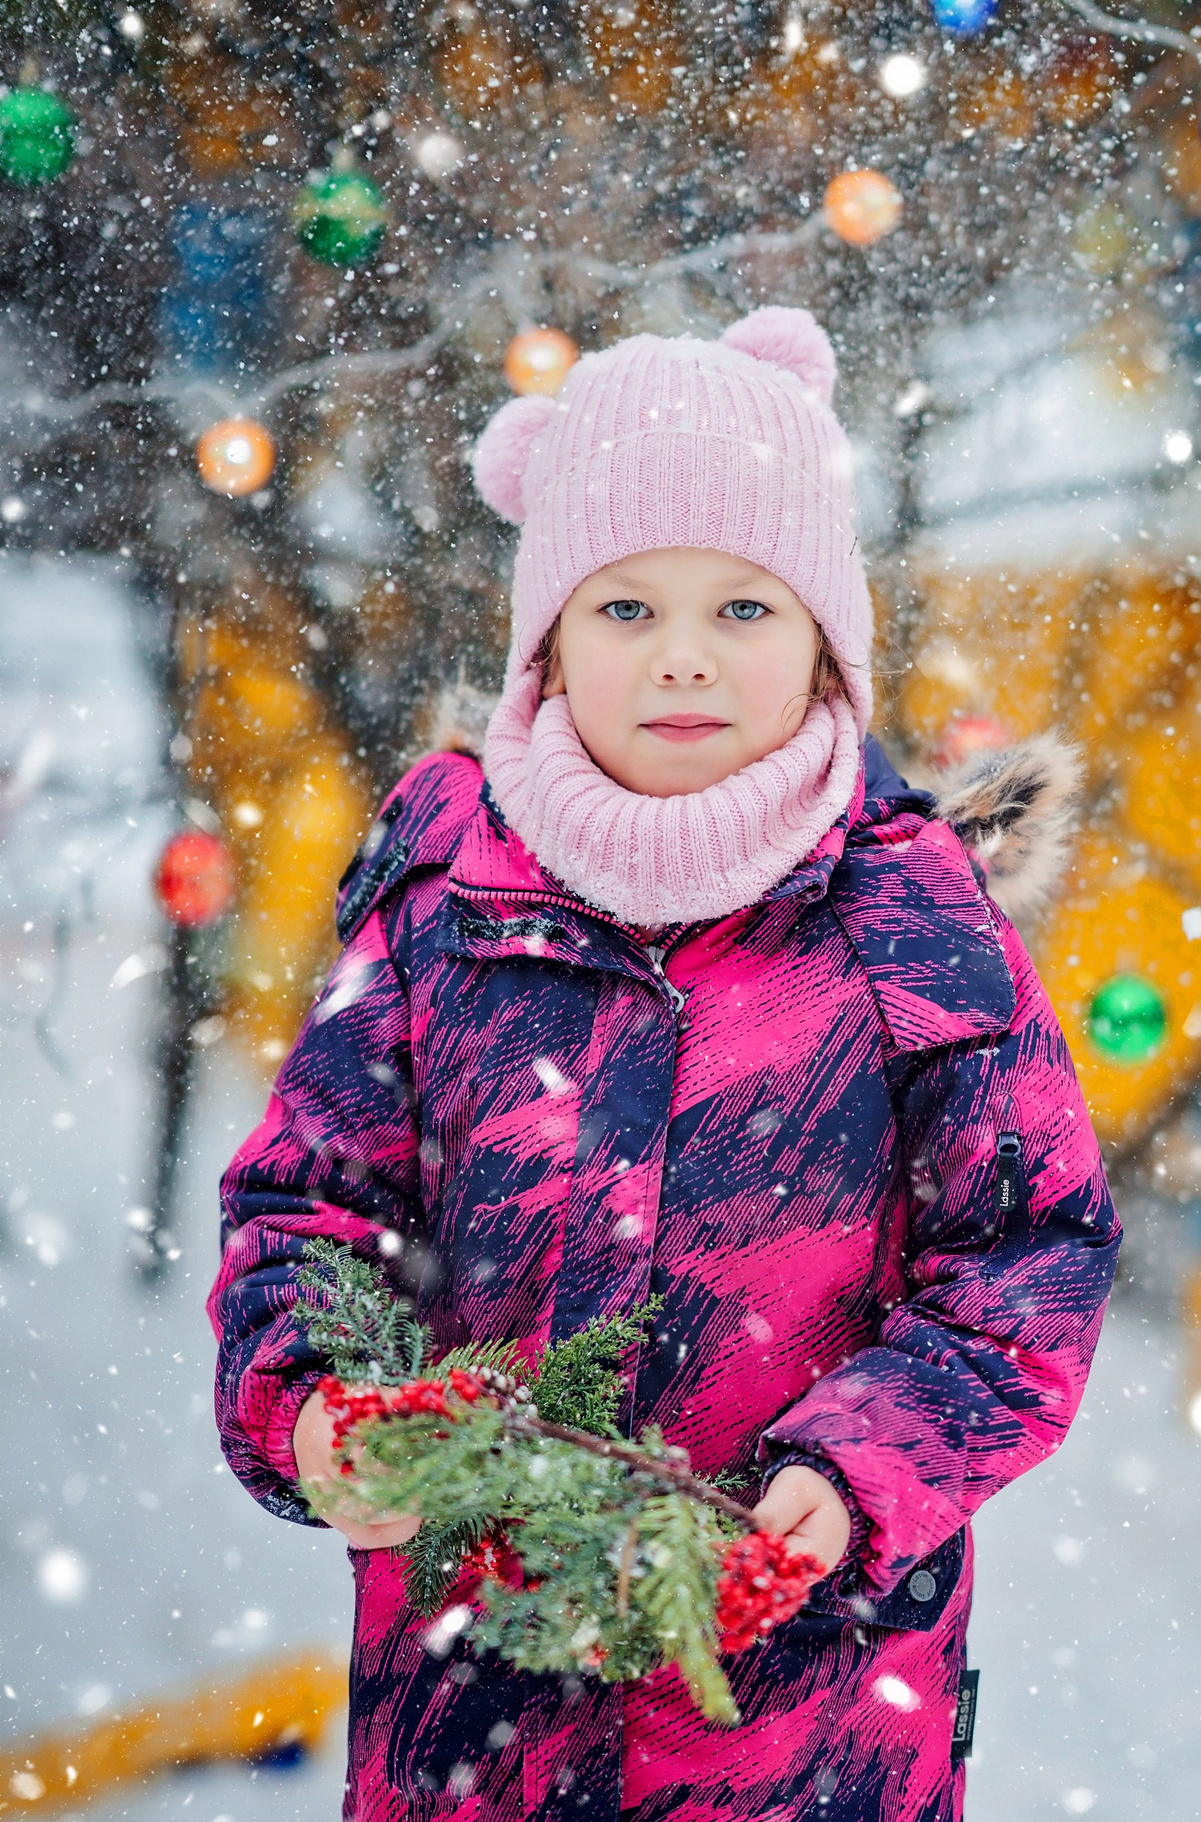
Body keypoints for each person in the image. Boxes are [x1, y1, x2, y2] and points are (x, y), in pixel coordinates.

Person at [207, 309, 1118, 1817]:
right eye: (625, 607)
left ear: (822, 639)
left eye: (743, 608)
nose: (683, 655)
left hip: (800, 1719)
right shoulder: (444, 893)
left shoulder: (912, 921)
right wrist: (316, 1405)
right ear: (549, 640)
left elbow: (1030, 1256)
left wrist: (854, 1472)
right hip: (473, 1709)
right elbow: (308, 1206)